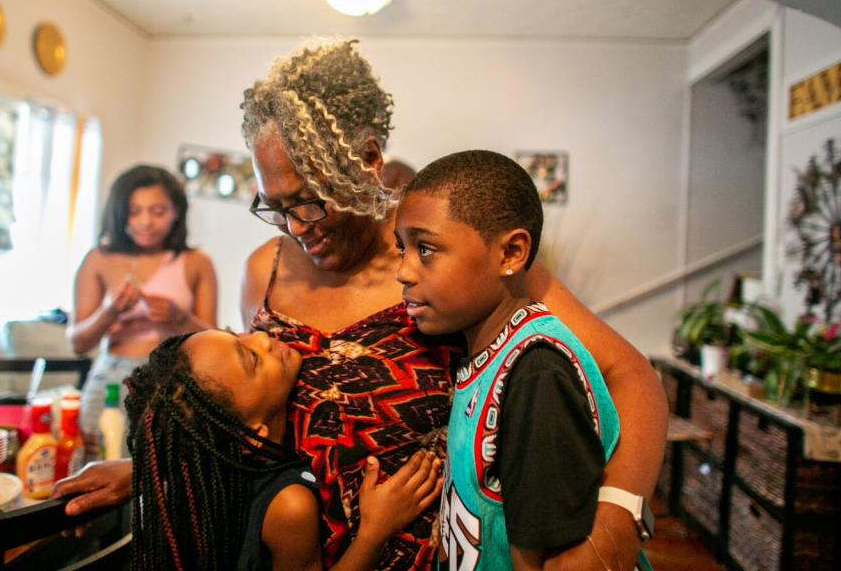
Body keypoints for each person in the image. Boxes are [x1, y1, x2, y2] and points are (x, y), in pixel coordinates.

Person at [55, 40, 667, 569]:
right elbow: (255, 422)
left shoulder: (449, 262)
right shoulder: (261, 273)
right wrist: (153, 469)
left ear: (369, 158)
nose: (296, 227)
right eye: (276, 206)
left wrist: (616, 518)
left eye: (310, 200)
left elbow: (631, 377)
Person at [396, 150, 645, 570]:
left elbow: (543, 558)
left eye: (425, 249)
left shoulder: (536, 374)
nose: (403, 271)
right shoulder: (485, 351)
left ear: (510, 253)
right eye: (401, 248)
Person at [124, 329, 441, 569]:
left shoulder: (207, 481)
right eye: (251, 359)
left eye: (239, 334)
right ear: (251, 435)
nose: (262, 337)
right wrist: (375, 531)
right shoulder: (288, 506)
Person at [68, 164, 217, 457]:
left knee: (164, 470)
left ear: (176, 211)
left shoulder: (196, 262)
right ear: (119, 213)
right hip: (110, 380)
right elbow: (78, 343)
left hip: (171, 380)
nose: (145, 222)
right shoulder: (98, 259)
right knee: (98, 464)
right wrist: (109, 311)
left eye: (158, 211)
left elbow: (214, 341)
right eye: (134, 211)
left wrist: (180, 318)